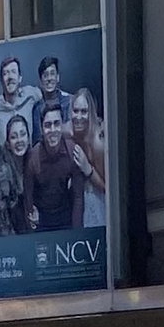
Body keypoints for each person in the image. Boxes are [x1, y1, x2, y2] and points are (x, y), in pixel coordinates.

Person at [23, 104, 81, 231]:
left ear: (62, 126)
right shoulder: (33, 158)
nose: (53, 129)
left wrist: (77, 233)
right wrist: (32, 225)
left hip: (65, 214)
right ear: (42, 128)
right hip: (42, 217)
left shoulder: (72, 151)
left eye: (57, 123)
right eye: (48, 125)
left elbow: (78, 197)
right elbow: (28, 198)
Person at [66, 88, 106, 229]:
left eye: (84, 112)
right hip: (78, 193)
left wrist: (87, 169)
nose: (79, 117)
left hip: (97, 197)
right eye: (76, 111)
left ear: (91, 114)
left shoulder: (97, 143)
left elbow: (106, 188)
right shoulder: (69, 131)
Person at [0, 116, 32, 236]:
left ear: (28, 137)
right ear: (7, 144)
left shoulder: (33, 162)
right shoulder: (1, 172)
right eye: (13, 137)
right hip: (5, 234)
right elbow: (2, 219)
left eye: (22, 134)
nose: (19, 140)